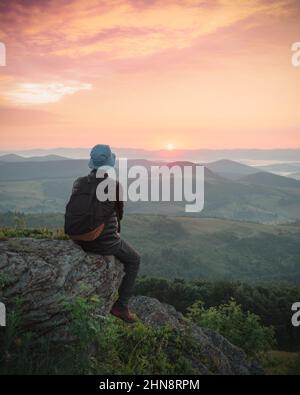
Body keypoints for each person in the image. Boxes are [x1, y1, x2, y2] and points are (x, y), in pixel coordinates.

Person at [69, 144, 140, 323]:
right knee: (134, 259)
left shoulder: (78, 182)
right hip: (103, 242)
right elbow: (119, 215)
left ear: (91, 164)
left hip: (77, 238)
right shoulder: (114, 186)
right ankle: (121, 306)